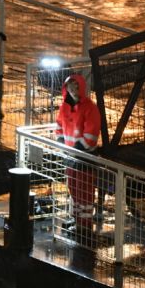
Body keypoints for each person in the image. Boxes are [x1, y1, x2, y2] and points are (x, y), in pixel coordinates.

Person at [55, 74, 101, 235]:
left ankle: (84, 225)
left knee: (84, 191)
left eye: (76, 86)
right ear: (66, 88)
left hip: (84, 157)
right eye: (70, 86)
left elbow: (91, 134)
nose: (73, 89)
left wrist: (75, 148)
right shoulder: (65, 107)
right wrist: (61, 142)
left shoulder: (90, 108)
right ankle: (76, 220)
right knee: (73, 189)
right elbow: (59, 125)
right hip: (71, 155)